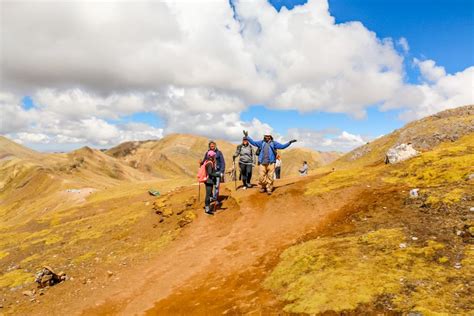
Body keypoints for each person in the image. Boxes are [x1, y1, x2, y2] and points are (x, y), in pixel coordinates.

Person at [243, 130, 296, 195]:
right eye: (266, 136)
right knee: (261, 177)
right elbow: (253, 142)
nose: (267, 137)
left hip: (271, 163)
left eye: (268, 136)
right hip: (262, 162)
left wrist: (289, 143)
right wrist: (247, 137)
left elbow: (282, 146)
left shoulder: (274, 143)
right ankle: (263, 186)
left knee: (270, 176)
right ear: (264, 136)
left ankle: (269, 188)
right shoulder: (261, 142)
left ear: (270, 136)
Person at [202, 150, 223, 215]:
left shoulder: (207, 161)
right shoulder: (210, 163)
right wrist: (218, 175)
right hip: (209, 181)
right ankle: (207, 209)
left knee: (209, 194)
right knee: (208, 195)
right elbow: (210, 173)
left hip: (208, 181)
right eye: (214, 155)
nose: (215, 157)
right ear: (212, 156)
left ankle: (207, 208)